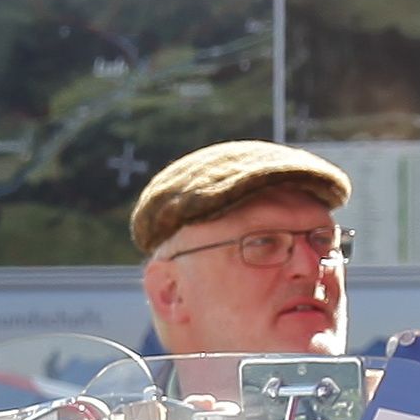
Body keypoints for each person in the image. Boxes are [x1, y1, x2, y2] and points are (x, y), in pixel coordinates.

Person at [130, 140, 352, 363]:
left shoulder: (386, 397)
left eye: (323, 241)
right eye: (263, 243)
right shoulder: (116, 396)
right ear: (170, 292)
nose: (309, 267)